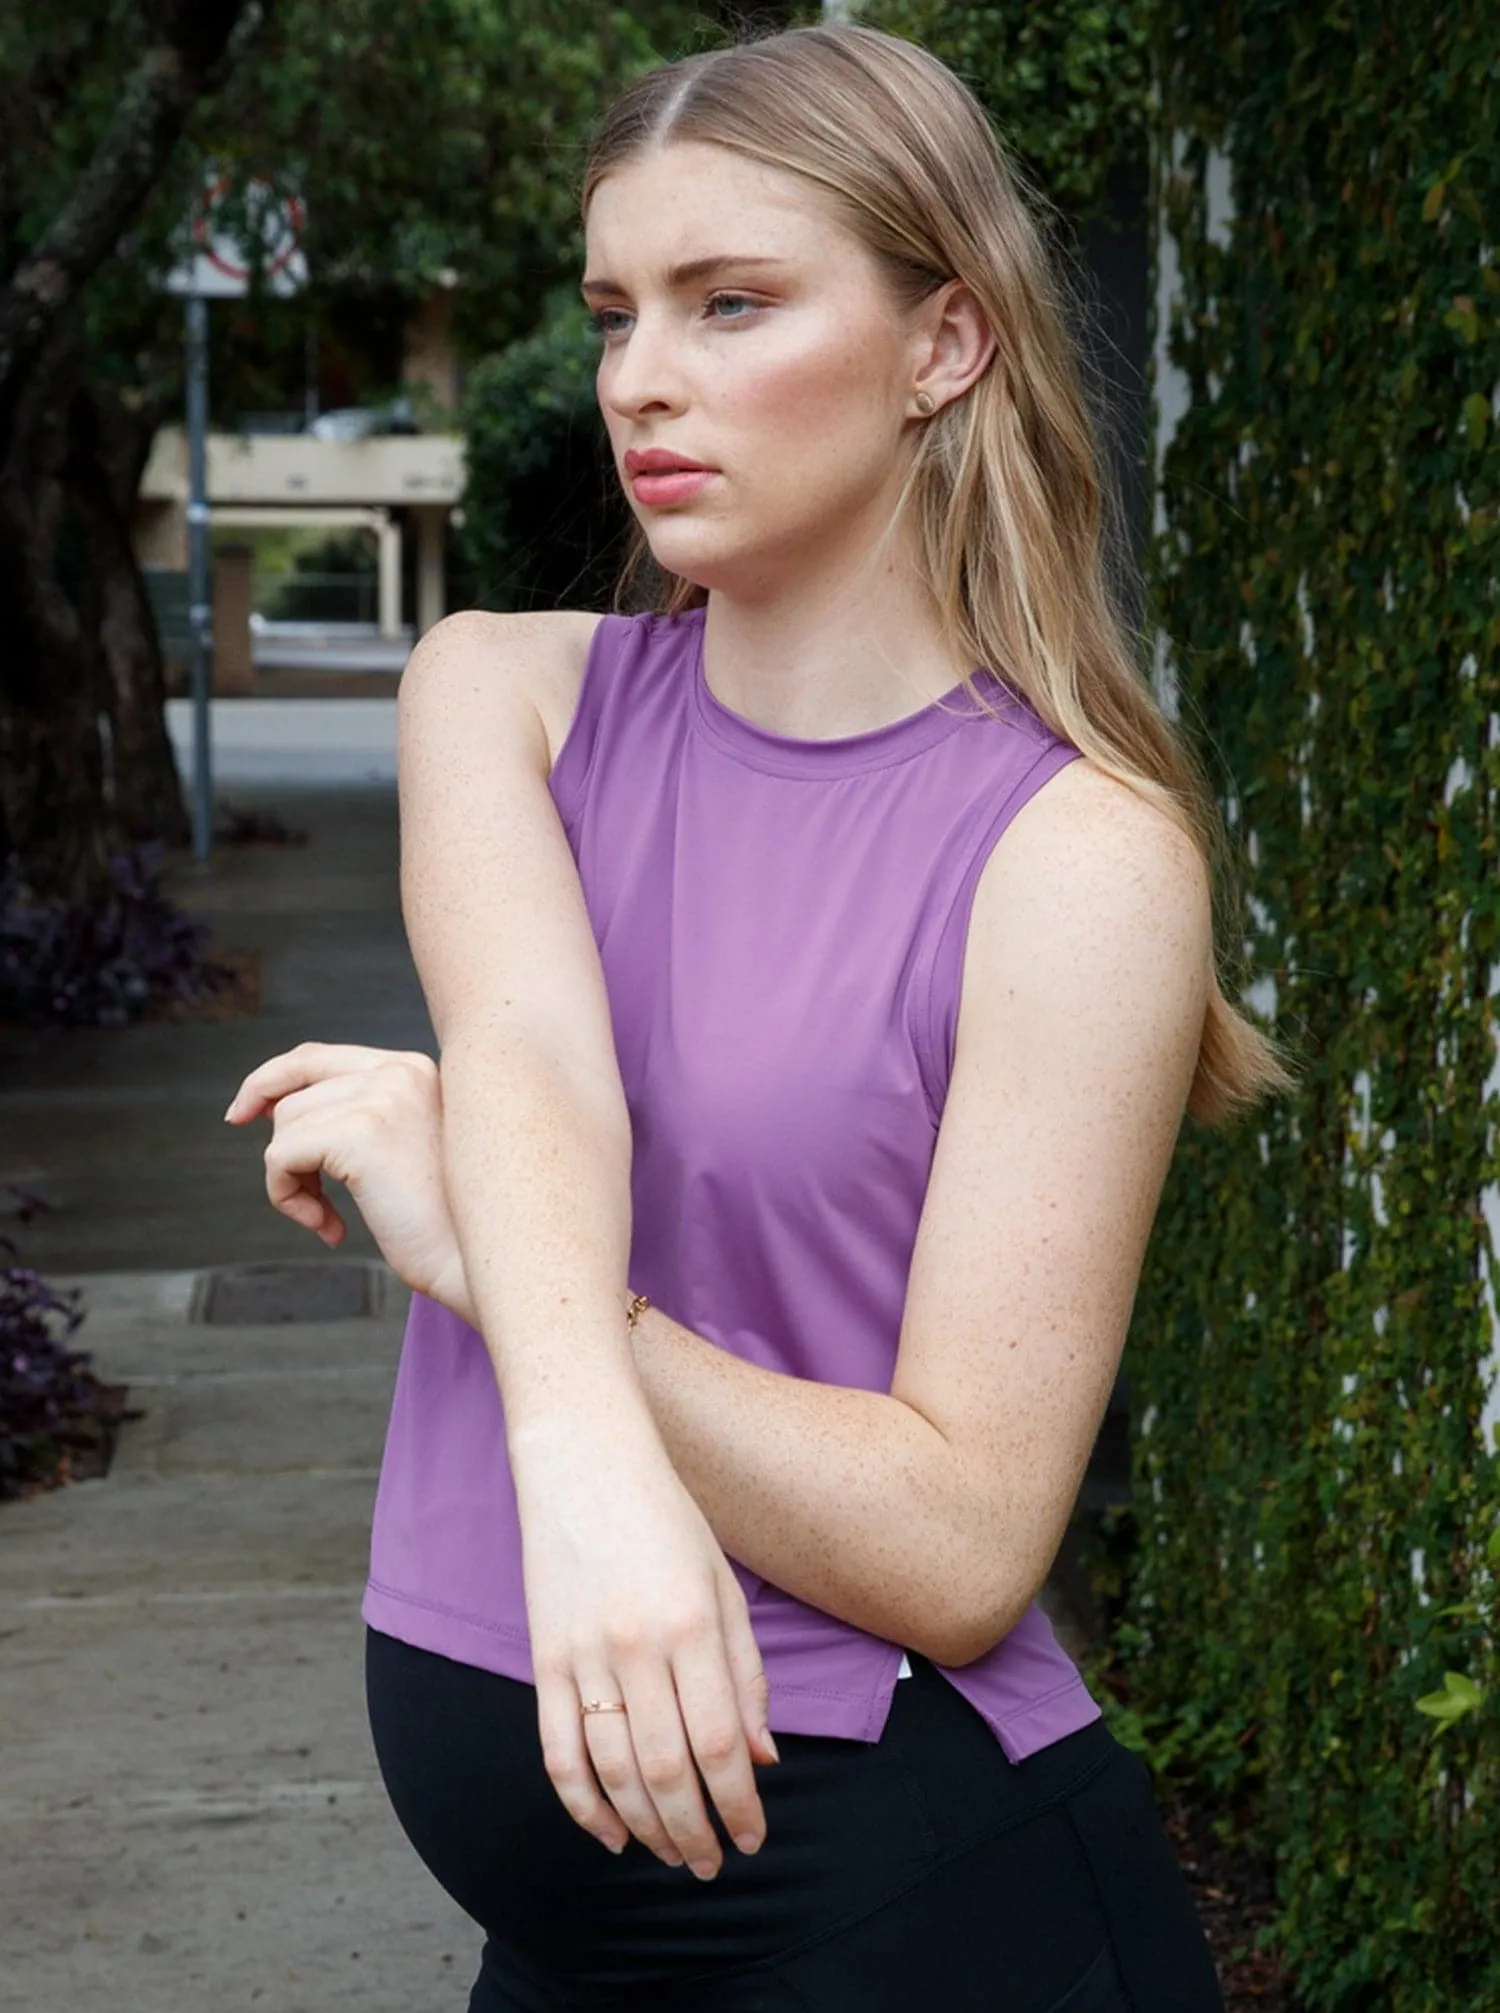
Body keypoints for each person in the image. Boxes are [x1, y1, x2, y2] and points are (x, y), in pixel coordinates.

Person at [226, 23, 1286, 2010]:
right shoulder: (506, 697)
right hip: (570, 1929)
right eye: (617, 309)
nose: (641, 375)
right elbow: (534, 1052)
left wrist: (481, 1256)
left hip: (908, 1905)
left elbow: (969, 1535)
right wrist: (584, 1456)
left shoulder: (1074, 854)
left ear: (943, 343)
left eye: (734, 304)